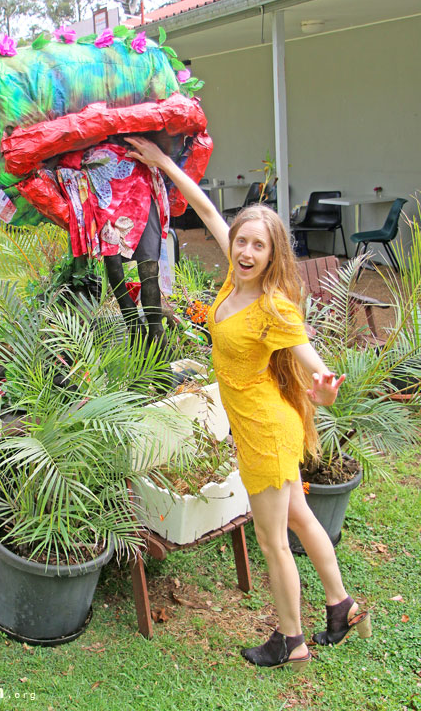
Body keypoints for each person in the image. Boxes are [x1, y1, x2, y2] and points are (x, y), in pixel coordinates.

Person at [125, 135, 372, 671]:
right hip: (264, 421)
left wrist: (326, 384)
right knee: (302, 519)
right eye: (242, 242)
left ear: (273, 253)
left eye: (259, 246)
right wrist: (164, 163)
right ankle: (342, 607)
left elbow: (310, 356)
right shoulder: (235, 282)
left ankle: (291, 640)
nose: (245, 251)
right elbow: (208, 208)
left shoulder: (271, 305)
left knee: (272, 538)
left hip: (264, 428)